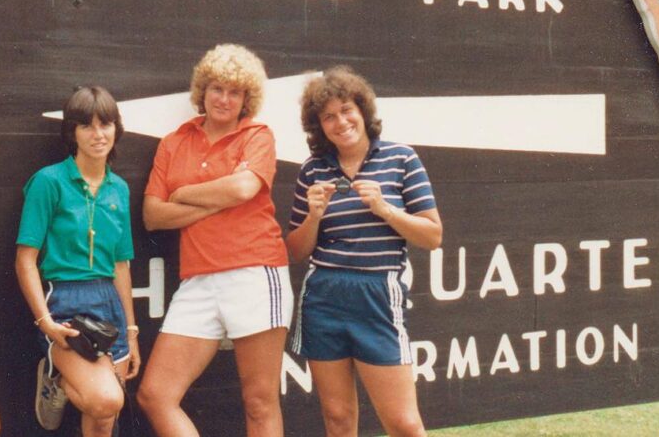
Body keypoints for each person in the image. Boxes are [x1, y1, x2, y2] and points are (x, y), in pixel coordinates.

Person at [137, 44, 292, 437]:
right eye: (217, 89)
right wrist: (216, 201)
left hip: (255, 273)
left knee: (259, 402)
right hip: (198, 281)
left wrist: (185, 192)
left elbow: (243, 188)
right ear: (202, 91)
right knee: (155, 395)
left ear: (246, 99)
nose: (224, 99)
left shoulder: (257, 135)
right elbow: (153, 215)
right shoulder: (174, 141)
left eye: (235, 92)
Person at [286, 67, 443, 437]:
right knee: (338, 420)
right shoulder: (313, 170)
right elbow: (295, 250)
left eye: (346, 110)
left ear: (363, 110)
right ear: (318, 126)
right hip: (323, 295)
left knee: (403, 423)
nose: (340, 122)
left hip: (377, 293)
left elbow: (433, 235)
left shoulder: (401, 158)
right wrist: (313, 216)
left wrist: (387, 211)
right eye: (328, 117)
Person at [15, 86, 140, 436]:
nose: (98, 135)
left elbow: (120, 265)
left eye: (106, 124)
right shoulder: (49, 182)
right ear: (72, 132)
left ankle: (64, 380)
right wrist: (45, 322)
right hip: (65, 304)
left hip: (109, 306)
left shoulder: (119, 189)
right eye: (87, 126)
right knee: (107, 399)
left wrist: (131, 332)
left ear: (117, 128)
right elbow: (25, 259)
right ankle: (55, 376)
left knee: (103, 422)